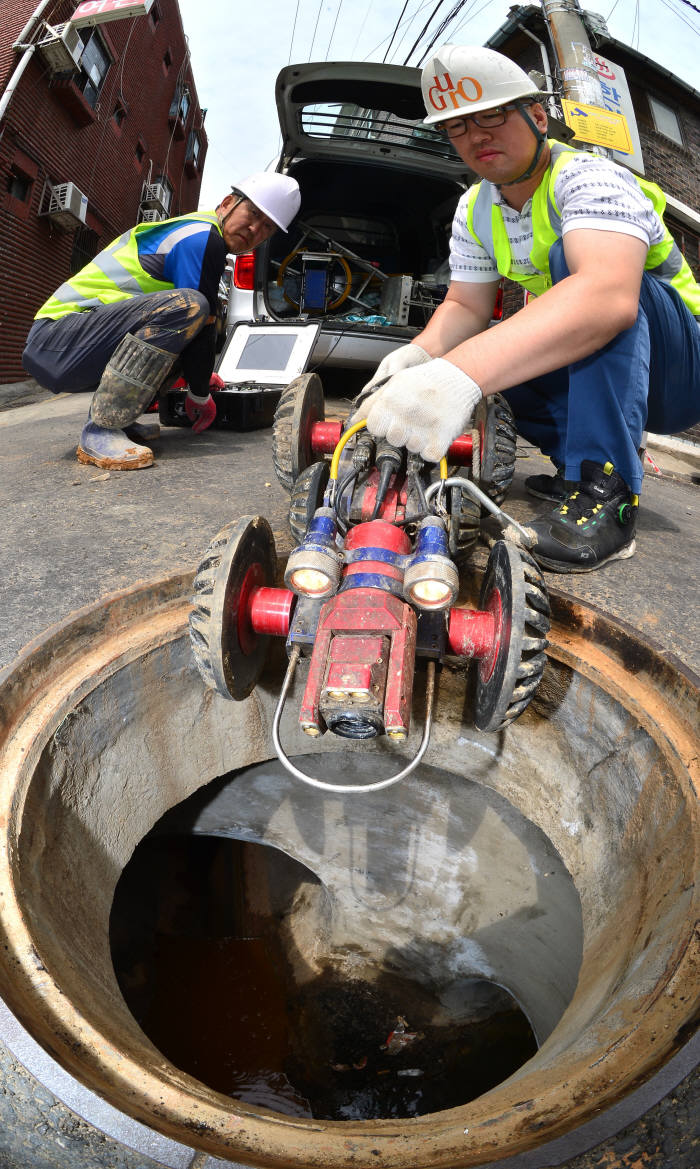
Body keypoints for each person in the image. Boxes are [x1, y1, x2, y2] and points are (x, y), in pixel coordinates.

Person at [358, 45, 700, 572]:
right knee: (499, 351)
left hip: (681, 369)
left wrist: (458, 374)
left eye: (491, 115)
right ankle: (573, 471)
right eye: (457, 127)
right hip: (618, 362)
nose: (476, 136)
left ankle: (607, 494)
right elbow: (465, 305)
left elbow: (607, 298)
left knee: (577, 270)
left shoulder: (588, 177)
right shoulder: (474, 209)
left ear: (537, 116)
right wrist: (418, 357)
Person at [22, 172, 301, 470]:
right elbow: (199, 321)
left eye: (267, 228)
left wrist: (201, 376)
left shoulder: (203, 235)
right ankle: (100, 430)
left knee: (191, 322)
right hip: (56, 339)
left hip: (74, 343)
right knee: (192, 307)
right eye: (253, 213)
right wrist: (199, 394)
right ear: (227, 203)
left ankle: (120, 419)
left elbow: (188, 334)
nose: (254, 229)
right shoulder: (202, 237)